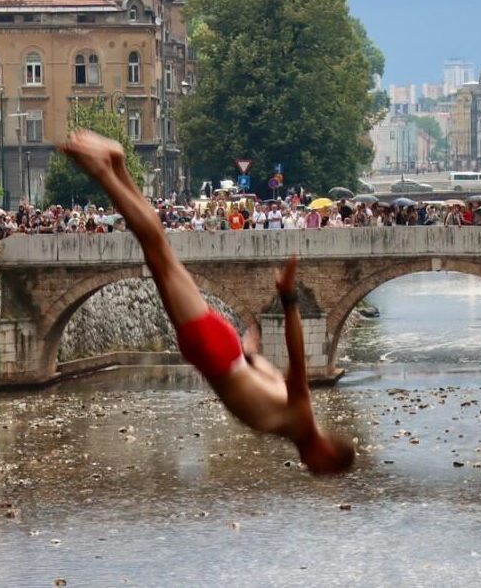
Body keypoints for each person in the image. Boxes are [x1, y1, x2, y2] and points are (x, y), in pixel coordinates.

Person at [61, 129, 354, 475]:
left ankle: (117, 166)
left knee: (159, 252)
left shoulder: (290, 421)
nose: (312, 469)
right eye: (322, 469)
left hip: (221, 349)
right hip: (213, 351)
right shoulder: (304, 424)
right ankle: (103, 170)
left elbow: (255, 362)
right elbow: (299, 365)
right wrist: (289, 299)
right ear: (328, 453)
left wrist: (251, 344)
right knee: (155, 250)